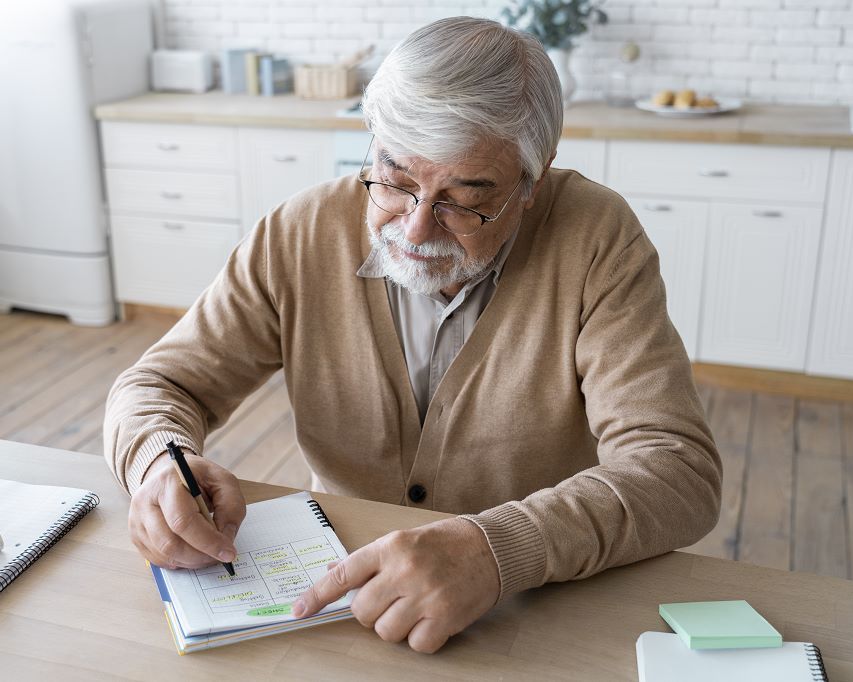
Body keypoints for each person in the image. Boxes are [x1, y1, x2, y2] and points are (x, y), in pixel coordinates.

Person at [104, 17, 721, 654]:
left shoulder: (597, 239)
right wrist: (157, 462)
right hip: (340, 600)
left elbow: (676, 471)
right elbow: (160, 383)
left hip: (527, 605)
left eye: (464, 198)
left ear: (533, 179)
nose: (418, 229)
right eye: (396, 181)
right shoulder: (299, 231)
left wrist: (498, 549)